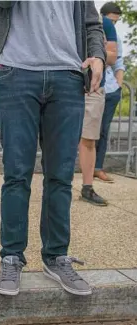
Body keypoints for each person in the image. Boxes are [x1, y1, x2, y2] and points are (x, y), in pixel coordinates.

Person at [0, 1, 105, 296]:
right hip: (14, 72)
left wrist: (97, 55)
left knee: (61, 176)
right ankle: (11, 257)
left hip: (67, 76)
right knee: (16, 174)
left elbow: (91, 23)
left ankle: (57, 256)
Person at [78, 13, 118, 206]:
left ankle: (87, 187)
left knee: (89, 139)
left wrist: (96, 52)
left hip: (92, 85)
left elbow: (112, 56)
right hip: (62, 79)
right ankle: (54, 186)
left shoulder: (105, 23)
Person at [96, 2, 125, 184]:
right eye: (110, 21)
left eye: (116, 22)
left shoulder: (117, 39)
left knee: (103, 131)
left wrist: (119, 87)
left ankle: (97, 168)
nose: (112, 25)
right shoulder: (90, 32)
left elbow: (119, 64)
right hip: (89, 89)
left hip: (110, 91)